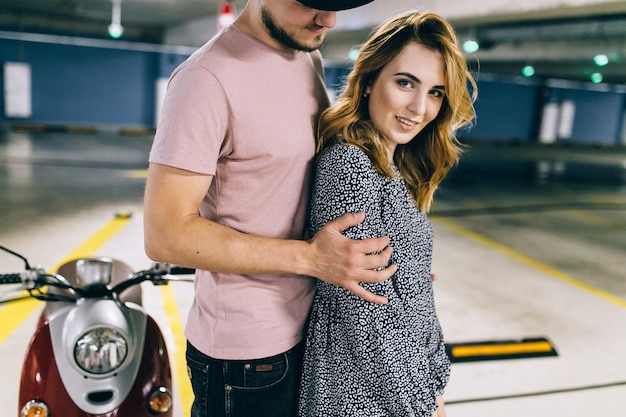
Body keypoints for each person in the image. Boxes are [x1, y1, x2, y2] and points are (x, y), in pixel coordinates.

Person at [142, 0, 397, 416]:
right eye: (311, 3)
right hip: (247, 358)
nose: (328, 20)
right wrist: (313, 259)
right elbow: (165, 233)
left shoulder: (306, 54)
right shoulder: (204, 81)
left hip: (311, 328)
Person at [298, 10, 477, 417]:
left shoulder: (392, 168)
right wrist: (421, 402)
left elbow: (411, 295)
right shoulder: (349, 165)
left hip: (400, 390)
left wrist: (433, 385)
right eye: (405, 83)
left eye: (435, 92)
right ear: (367, 82)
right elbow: (363, 309)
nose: (419, 107)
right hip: (359, 393)